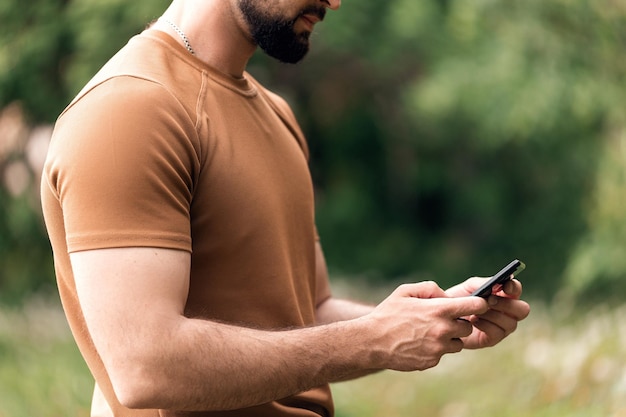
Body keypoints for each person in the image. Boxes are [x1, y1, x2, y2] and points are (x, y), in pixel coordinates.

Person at [40, 0, 531, 416]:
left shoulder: (276, 114)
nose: (336, 1)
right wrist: (373, 339)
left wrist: (430, 320)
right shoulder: (131, 109)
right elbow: (145, 366)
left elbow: (307, 311)